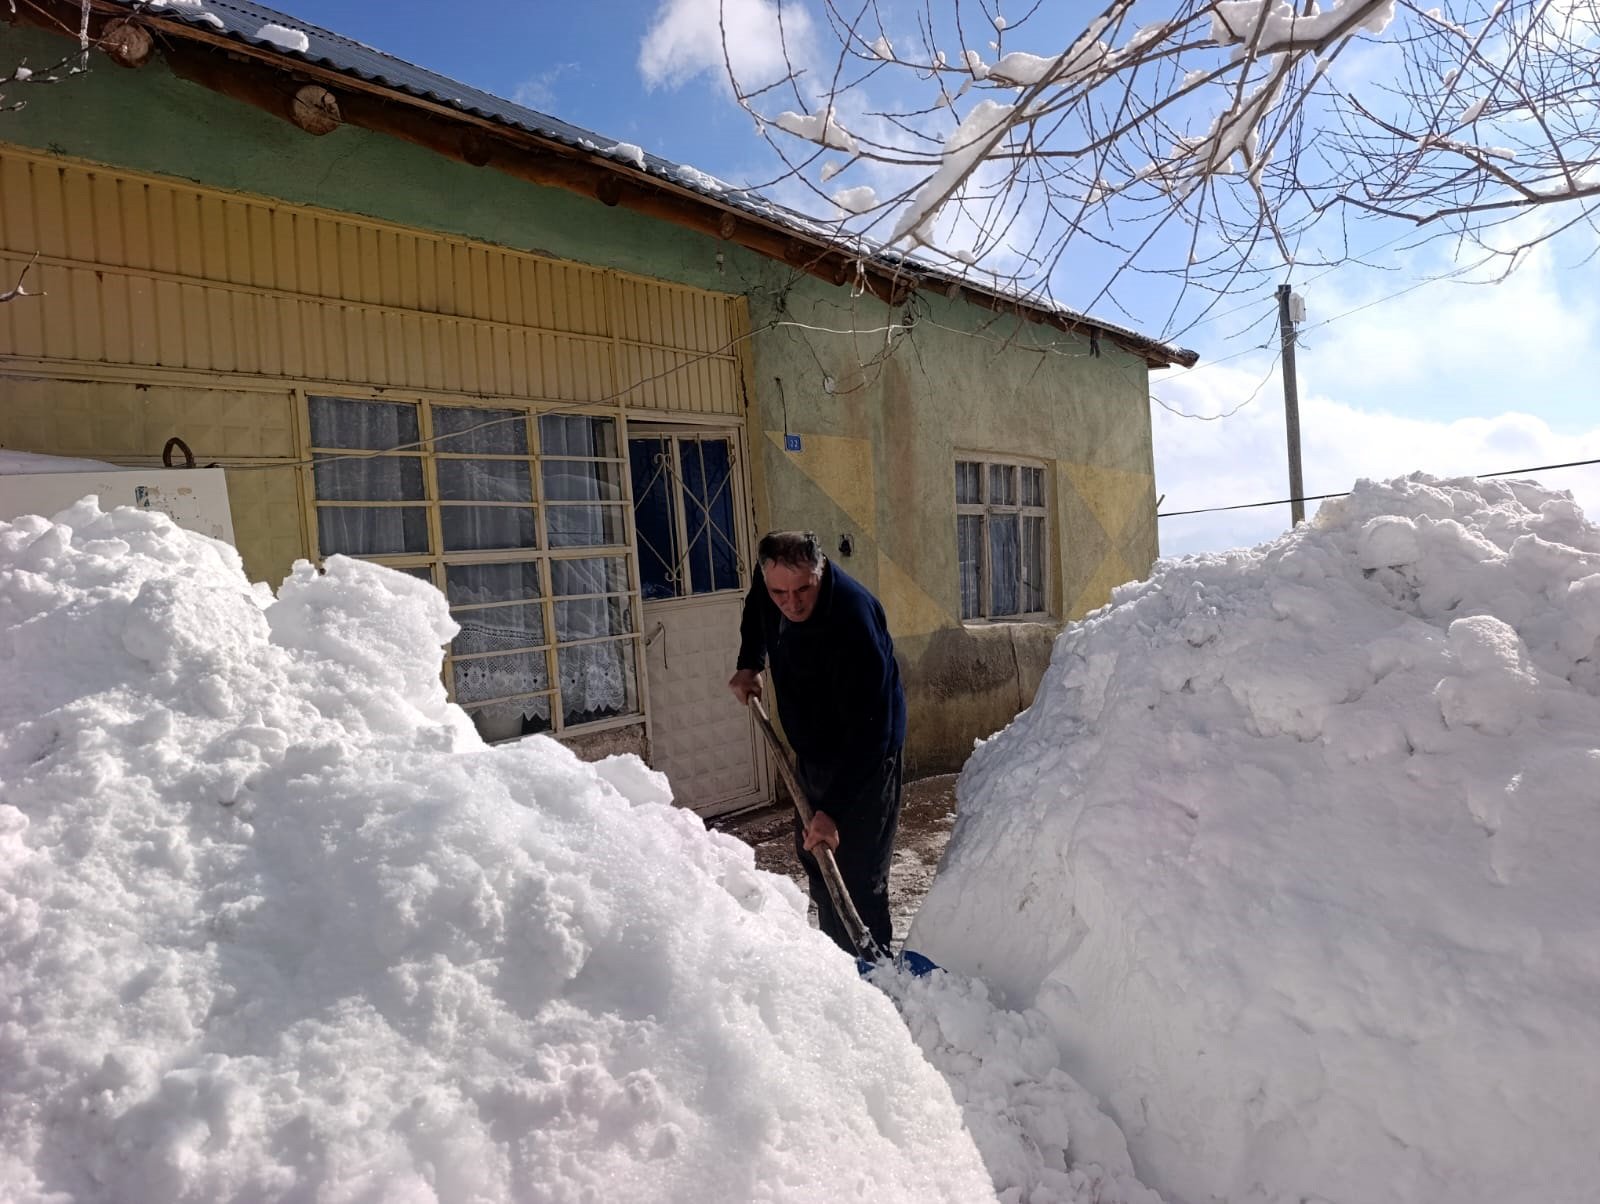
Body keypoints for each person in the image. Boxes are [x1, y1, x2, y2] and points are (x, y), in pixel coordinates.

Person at [728, 530, 906, 956]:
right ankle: (836, 960)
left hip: (864, 761)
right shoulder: (771, 583)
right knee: (816, 859)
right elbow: (757, 605)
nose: (791, 603)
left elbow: (871, 732)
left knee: (858, 876)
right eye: (779, 592)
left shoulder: (853, 619)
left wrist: (834, 811)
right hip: (813, 752)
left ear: (821, 569)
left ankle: (872, 972)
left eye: (803, 589)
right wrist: (750, 662)